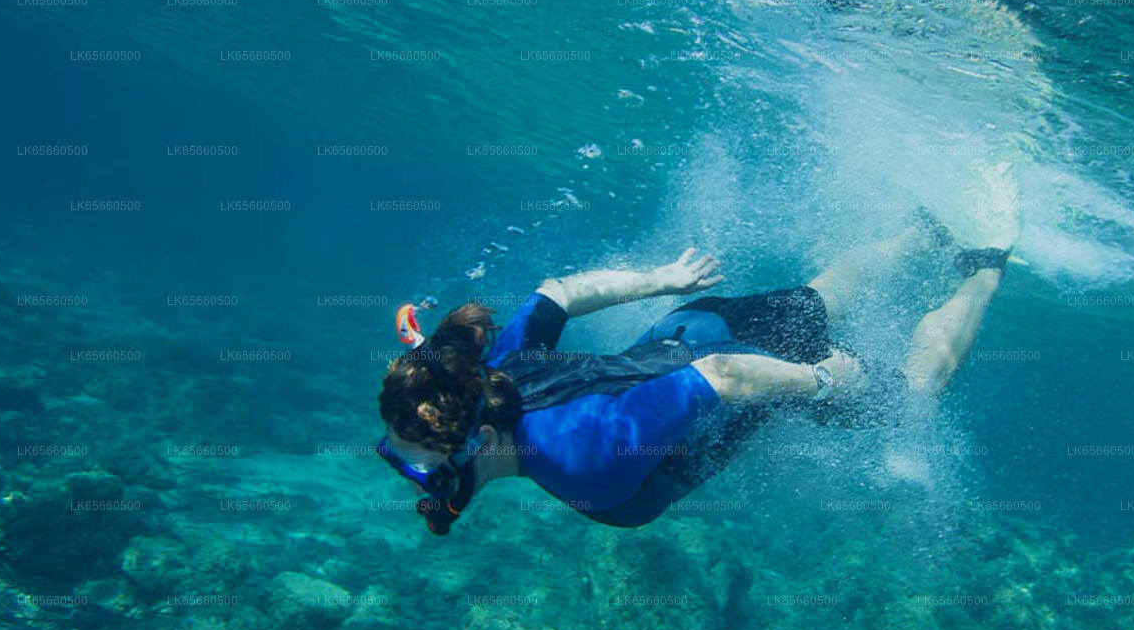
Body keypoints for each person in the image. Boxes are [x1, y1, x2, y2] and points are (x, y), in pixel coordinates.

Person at [375, 209, 1013, 534]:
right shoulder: (492, 374)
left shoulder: (581, 460)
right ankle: (921, 232)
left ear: (483, 438)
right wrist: (664, 280)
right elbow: (556, 293)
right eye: (401, 459)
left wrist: (823, 381)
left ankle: (987, 263)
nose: (416, 482)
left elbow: (725, 379)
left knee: (914, 395)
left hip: (742, 369)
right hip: (691, 327)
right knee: (824, 297)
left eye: (422, 469)